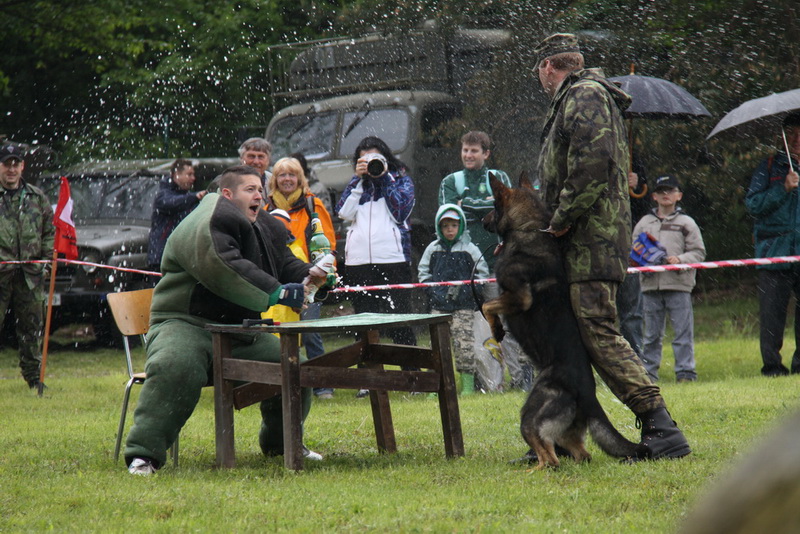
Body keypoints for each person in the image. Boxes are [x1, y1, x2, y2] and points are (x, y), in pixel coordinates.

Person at [534, 33, 690, 459]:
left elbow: (591, 166)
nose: (541, 79)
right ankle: (560, 434)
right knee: (569, 338)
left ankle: (661, 425)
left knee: (599, 333)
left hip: (590, 242)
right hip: (580, 242)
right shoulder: (577, 96)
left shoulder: (584, 95)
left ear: (549, 66)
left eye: (540, 72)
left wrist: (560, 220)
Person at [124, 165, 327, 475]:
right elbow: (224, 265)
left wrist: (314, 276)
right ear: (227, 194)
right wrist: (281, 294)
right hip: (185, 323)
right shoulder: (202, 223)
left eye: (260, 189)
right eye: (250, 190)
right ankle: (144, 455)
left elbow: (285, 263)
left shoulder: (262, 224)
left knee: (291, 364)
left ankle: (282, 444)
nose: (258, 194)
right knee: (176, 365)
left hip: (239, 332)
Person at [438, 131, 531, 392]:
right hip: (468, 267)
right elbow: (449, 217)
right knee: (481, 327)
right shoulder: (451, 181)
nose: (468, 155)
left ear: (486, 154)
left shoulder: (499, 178)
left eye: (474, 151)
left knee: (511, 322)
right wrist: (483, 208)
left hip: (500, 261)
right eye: (465, 150)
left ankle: (521, 377)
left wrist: (469, 207)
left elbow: (507, 212)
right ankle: (489, 382)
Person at [335, 136, 417, 398]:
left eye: (375, 158)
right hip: (359, 262)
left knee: (400, 318)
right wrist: (359, 181)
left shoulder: (400, 178)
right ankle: (368, 379)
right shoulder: (356, 184)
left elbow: (401, 211)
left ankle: (411, 376)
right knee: (365, 320)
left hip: (393, 259)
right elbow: (343, 213)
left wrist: (383, 177)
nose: (370, 163)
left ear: (385, 157)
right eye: (364, 159)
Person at [265, 157, 337, 399]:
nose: (287, 179)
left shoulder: (312, 205)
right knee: (275, 332)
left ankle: (322, 384)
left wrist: (323, 273)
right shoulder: (265, 208)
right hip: (274, 279)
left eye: (291, 175)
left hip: (309, 279)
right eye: (282, 175)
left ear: (300, 178)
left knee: (310, 331)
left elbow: (327, 243)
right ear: (274, 180)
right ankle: (277, 383)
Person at [633, 174, 706, 382]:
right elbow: (633, 250)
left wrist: (680, 259)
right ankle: (649, 375)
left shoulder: (687, 223)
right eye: (661, 191)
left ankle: (685, 373)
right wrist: (642, 260)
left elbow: (699, 253)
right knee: (651, 336)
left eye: (670, 191)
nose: (666, 195)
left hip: (678, 285)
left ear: (679, 196)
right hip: (650, 286)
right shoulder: (644, 223)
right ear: (654, 196)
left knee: (682, 333)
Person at [745, 112, 800, 377]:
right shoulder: (768, 166)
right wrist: (783, 189)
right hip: (773, 252)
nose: (797, 139)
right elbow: (753, 206)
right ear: (783, 137)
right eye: (791, 134)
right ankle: (773, 367)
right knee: (771, 315)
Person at [418, 204, 489, 395]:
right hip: (439, 307)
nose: (450, 229)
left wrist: (469, 291)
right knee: (436, 346)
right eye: (445, 226)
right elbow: (423, 273)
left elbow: (482, 273)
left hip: (463, 307)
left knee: (464, 344)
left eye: (454, 225)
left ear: (461, 226)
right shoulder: (432, 249)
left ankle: (467, 386)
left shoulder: (470, 249)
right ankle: (435, 386)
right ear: (439, 228)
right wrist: (434, 292)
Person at [0, 144, 55, 390]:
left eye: (16, 164)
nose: (11, 169)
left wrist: (46, 262)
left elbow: (49, 232)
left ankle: (34, 378)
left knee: (32, 327)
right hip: (1, 274)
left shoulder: (36, 197)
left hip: (31, 276)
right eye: (6, 164)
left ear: (22, 166)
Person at [147, 158, 207, 271]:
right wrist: (196, 197)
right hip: (161, 258)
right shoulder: (164, 195)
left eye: (193, 174)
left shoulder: (187, 198)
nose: (193, 178)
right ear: (176, 175)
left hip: (179, 258)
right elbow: (171, 203)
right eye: (189, 174)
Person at [617, 157, 650, 359]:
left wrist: (637, 187)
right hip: (597, 246)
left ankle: (634, 360)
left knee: (631, 313)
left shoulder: (633, 161)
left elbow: (644, 209)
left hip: (628, 245)